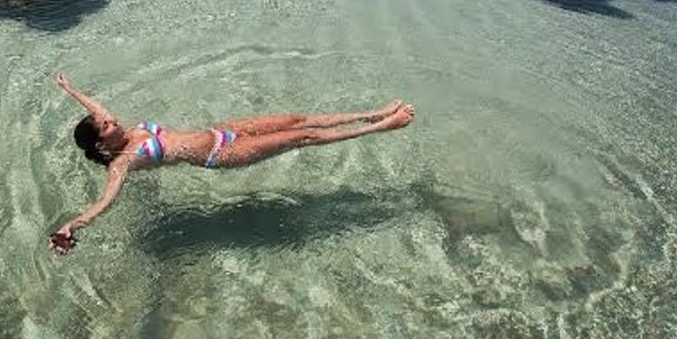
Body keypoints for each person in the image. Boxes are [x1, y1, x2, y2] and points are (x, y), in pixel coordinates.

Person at [48, 73, 416, 254]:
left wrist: (70, 90)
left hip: (221, 131)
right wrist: (71, 225)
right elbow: (104, 203)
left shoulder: (123, 133)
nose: (112, 119)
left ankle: (373, 113)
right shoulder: (121, 163)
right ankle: (384, 127)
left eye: (108, 119)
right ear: (102, 141)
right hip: (219, 154)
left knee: (297, 119)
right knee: (302, 138)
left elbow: (94, 108)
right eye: (107, 124)